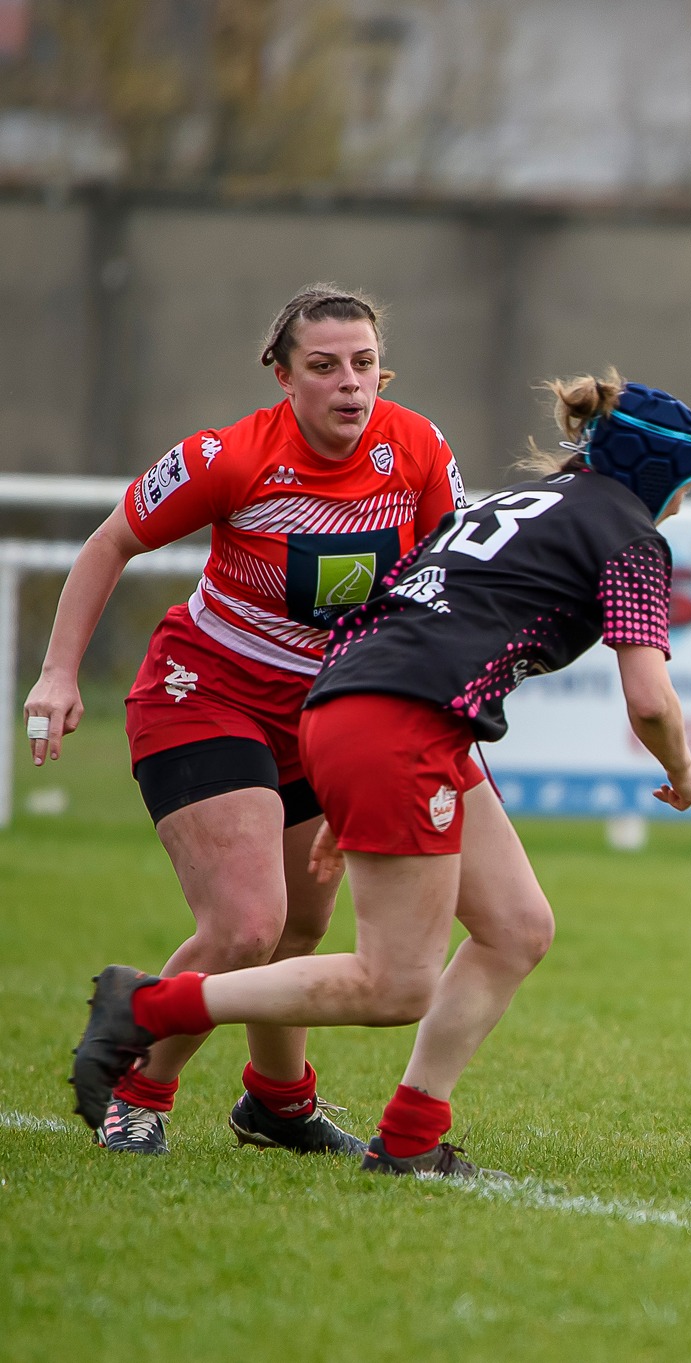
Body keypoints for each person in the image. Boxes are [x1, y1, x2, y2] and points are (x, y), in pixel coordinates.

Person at [67, 372, 691, 1177]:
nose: (685, 501)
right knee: (395, 983)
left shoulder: (532, 501)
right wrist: (683, 771)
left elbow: (394, 610)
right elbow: (649, 700)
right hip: (400, 720)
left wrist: (349, 772)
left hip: (368, 706)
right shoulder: (631, 537)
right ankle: (150, 1006)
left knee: (516, 927)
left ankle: (409, 1140)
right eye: (688, 482)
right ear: (663, 473)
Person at [27, 285, 463, 1156]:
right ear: (282, 376)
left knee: (302, 926)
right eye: (325, 366)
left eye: (365, 364)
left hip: (329, 717)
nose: (351, 384)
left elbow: (447, 578)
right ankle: (139, 1083)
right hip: (204, 695)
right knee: (245, 926)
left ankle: (278, 1102)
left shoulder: (417, 447)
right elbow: (110, 541)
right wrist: (57, 673)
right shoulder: (229, 456)